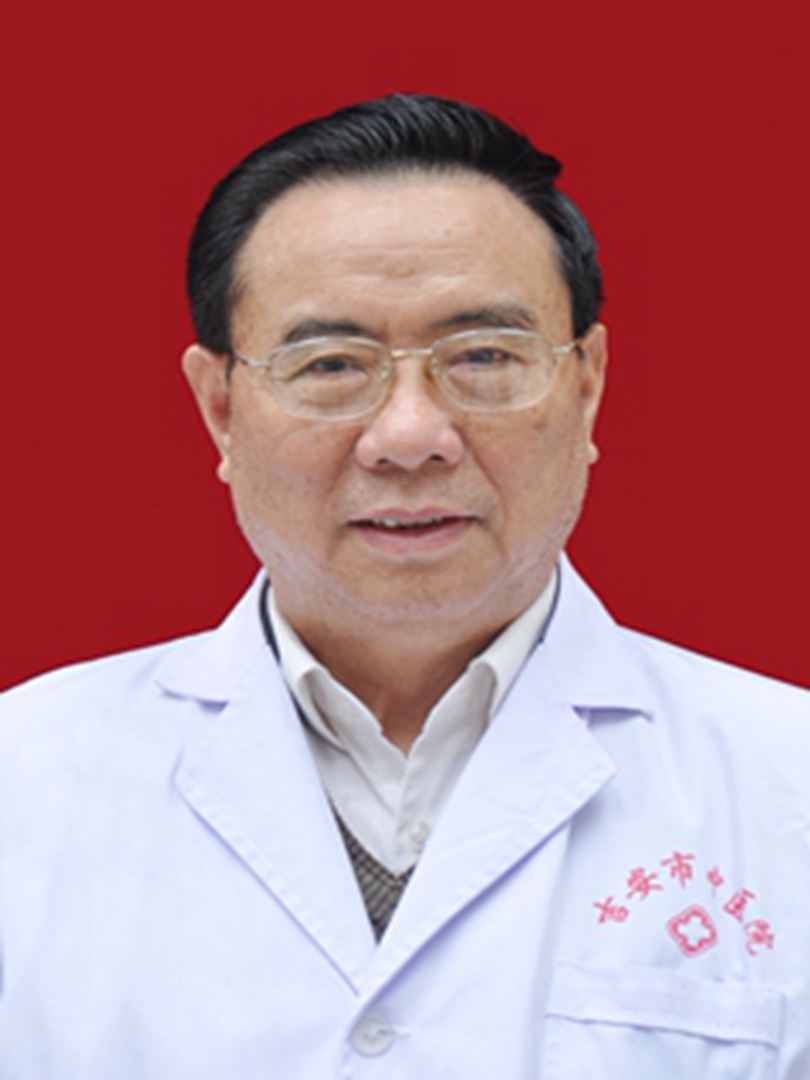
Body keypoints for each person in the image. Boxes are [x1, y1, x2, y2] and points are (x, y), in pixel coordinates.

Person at [0, 94, 808, 1079]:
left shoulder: (787, 784)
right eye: (332, 364)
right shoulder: (24, 781)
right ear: (220, 410)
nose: (411, 436)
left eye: (484, 357)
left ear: (588, 385)